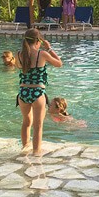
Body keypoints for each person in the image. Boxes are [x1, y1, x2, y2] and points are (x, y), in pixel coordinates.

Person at [16, 28, 63, 156]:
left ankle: (25, 148)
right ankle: (36, 153)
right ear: (38, 41)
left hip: (23, 93)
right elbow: (59, 63)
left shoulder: (19, 54)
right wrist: (49, 48)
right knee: (38, 125)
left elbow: (19, 67)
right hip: (37, 92)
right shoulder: (42, 54)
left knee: (26, 122)